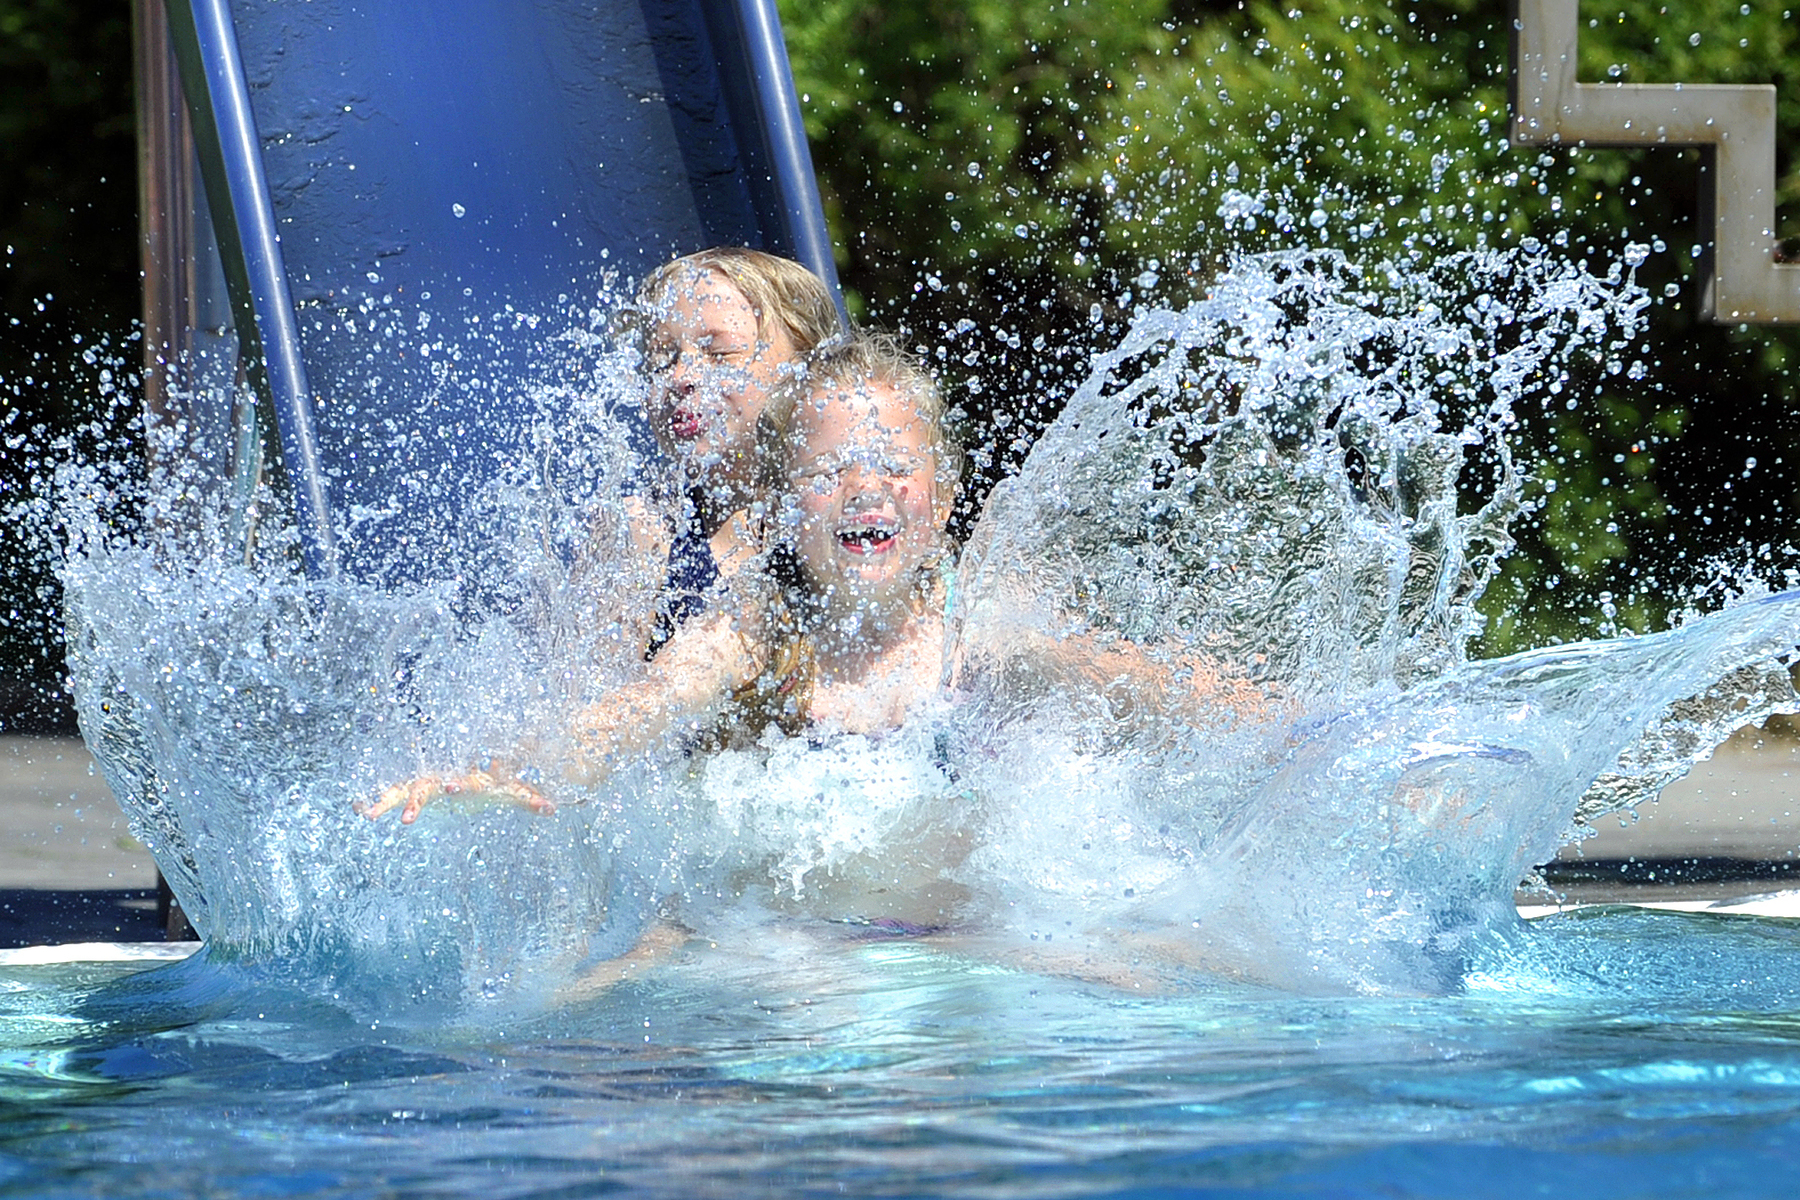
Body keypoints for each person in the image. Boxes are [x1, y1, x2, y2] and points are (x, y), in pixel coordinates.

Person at [620, 247, 842, 651]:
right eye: (660, 361)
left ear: (808, 369)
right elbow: (600, 701)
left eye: (719, 354)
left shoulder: (848, 508)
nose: (681, 377)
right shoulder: (644, 528)